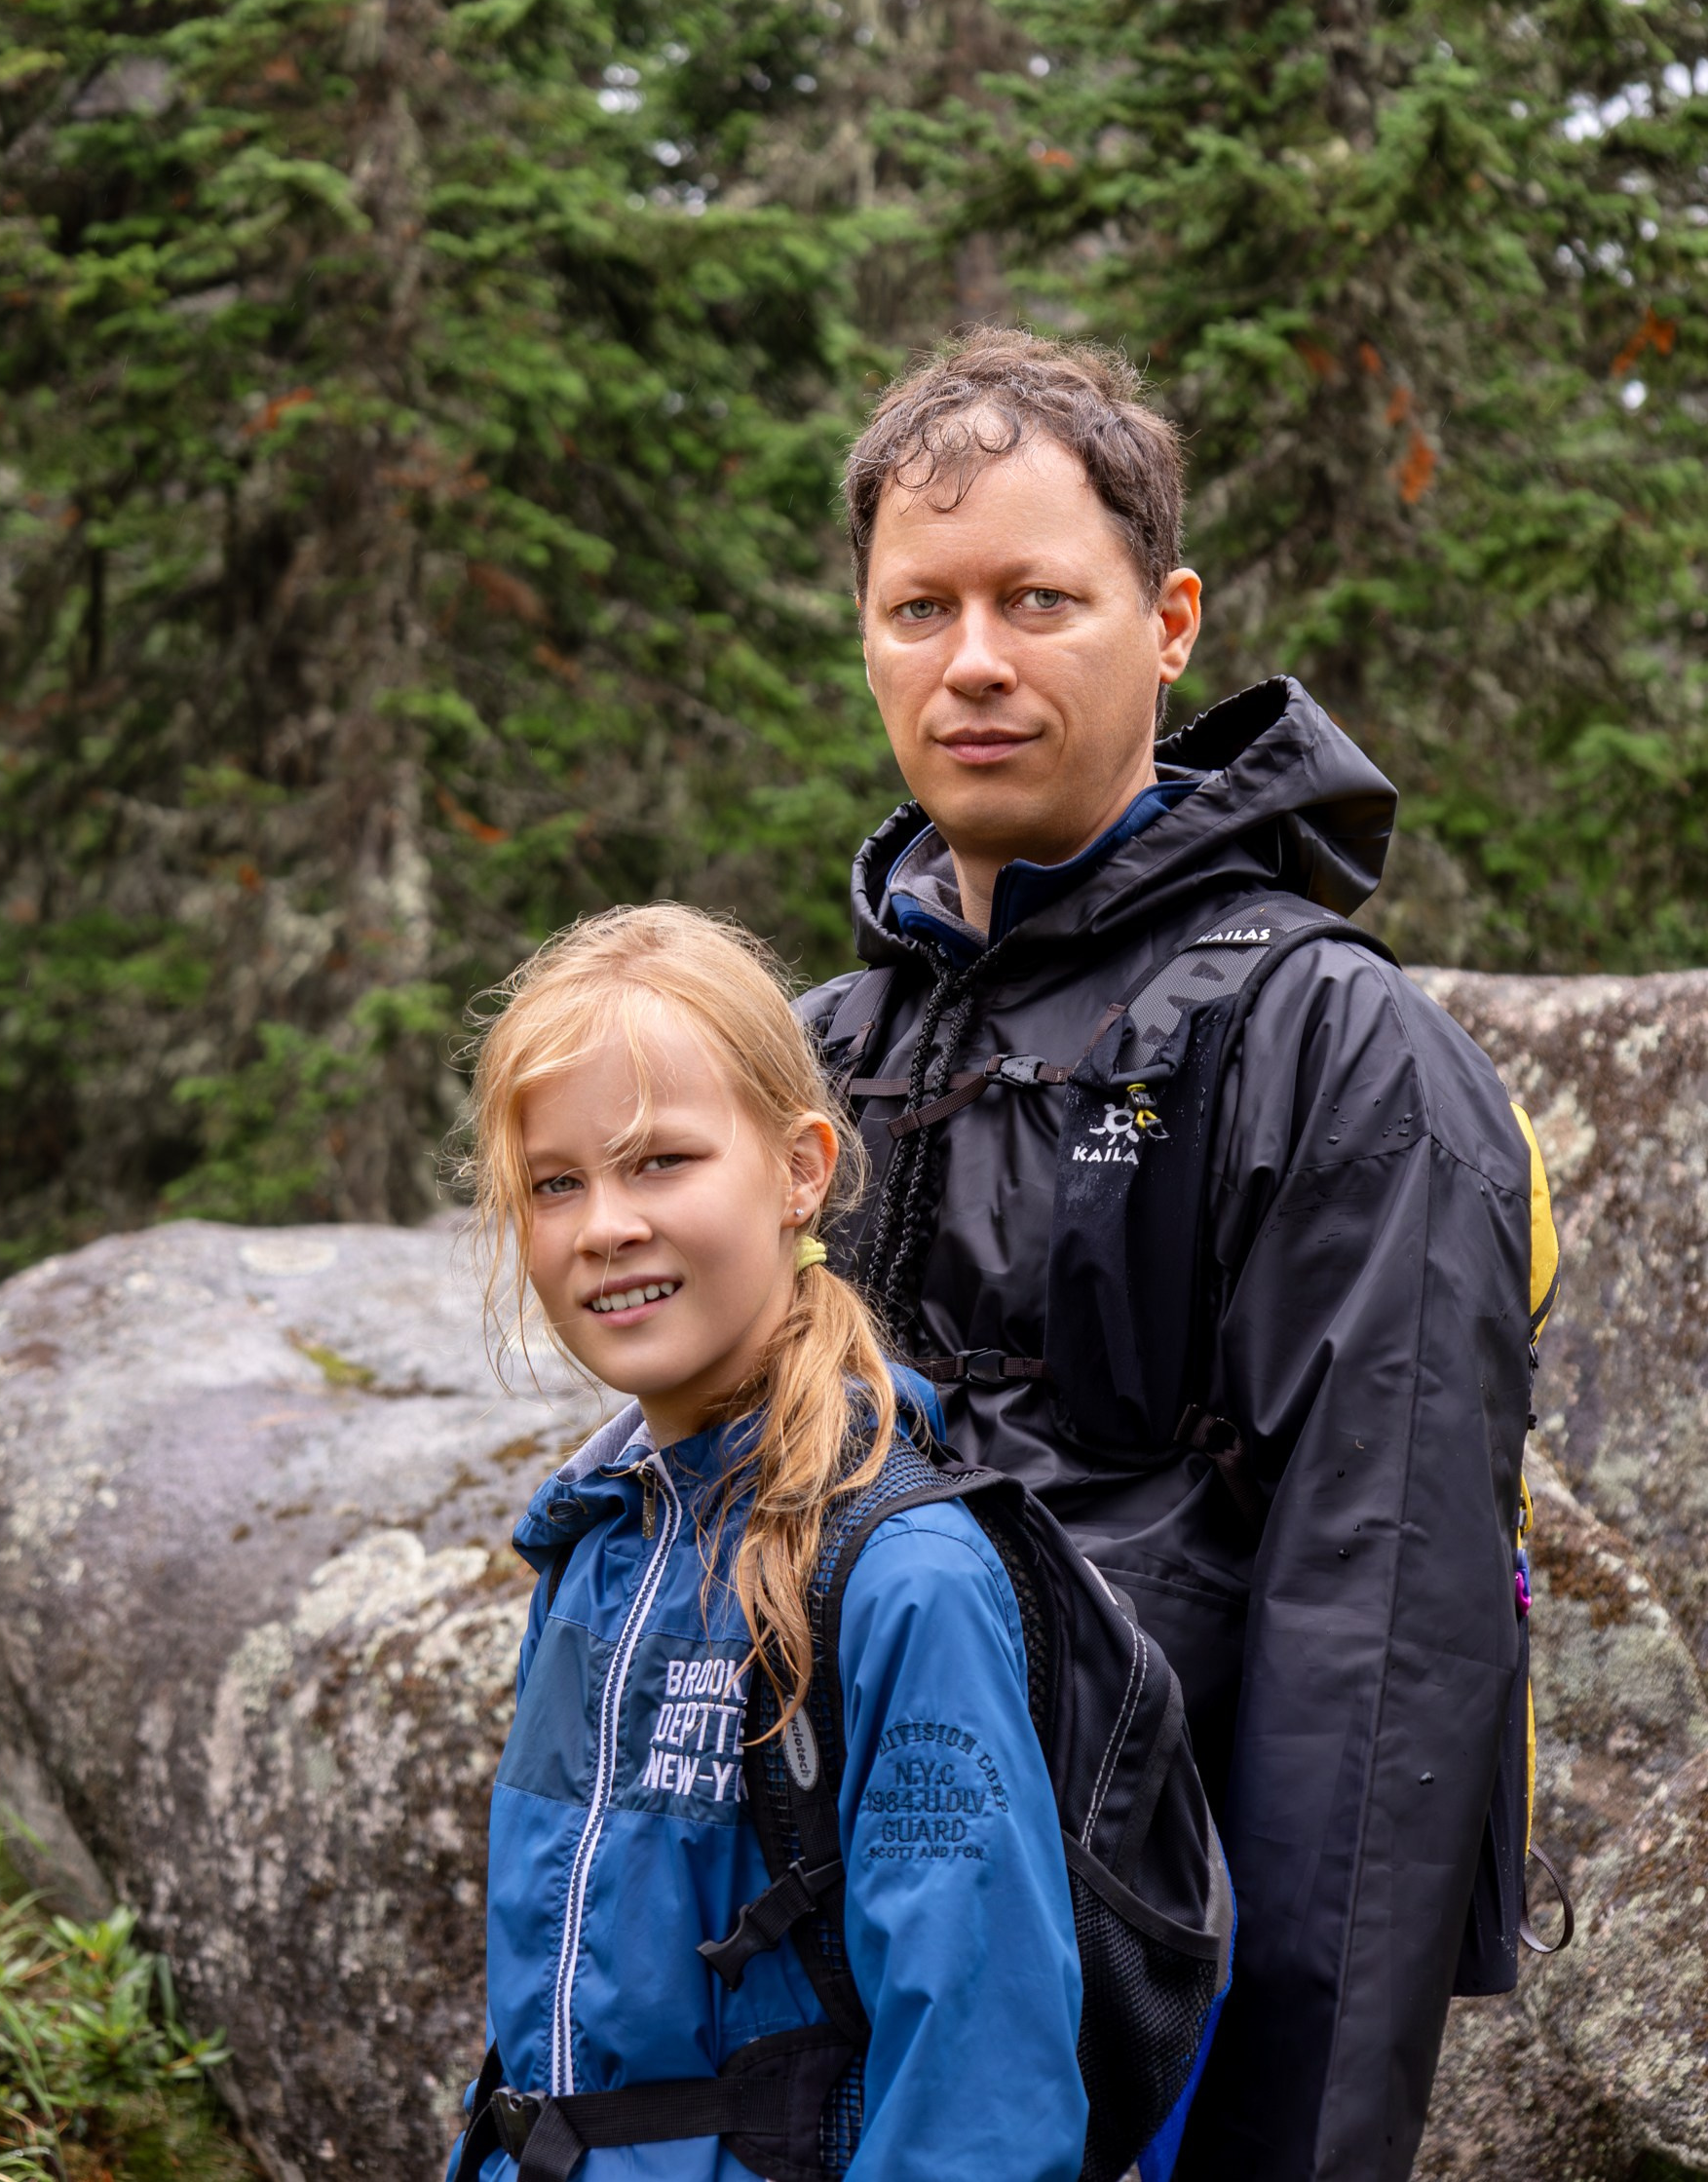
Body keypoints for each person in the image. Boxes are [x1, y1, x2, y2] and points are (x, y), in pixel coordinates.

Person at [801, 328, 1537, 2182]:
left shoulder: (1333, 1049)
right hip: (834, 1973)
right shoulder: (812, 1058)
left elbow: (1381, 1640)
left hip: (1159, 1987)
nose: (973, 662)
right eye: (920, 608)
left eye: (1040, 599)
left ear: (1172, 619)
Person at [449, 902, 1089, 2182]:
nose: (605, 1227)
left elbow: (980, 2085)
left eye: (662, 1162)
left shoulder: (901, 1576)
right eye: (556, 1184)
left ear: (800, 1169)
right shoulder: (597, 1546)